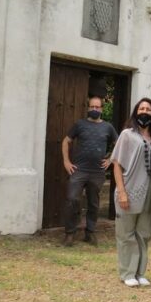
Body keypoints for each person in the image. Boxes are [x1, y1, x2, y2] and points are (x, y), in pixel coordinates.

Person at [110, 98, 151, 287]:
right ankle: (128, 273)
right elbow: (117, 165)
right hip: (129, 190)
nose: (145, 112)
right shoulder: (127, 135)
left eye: (148, 109)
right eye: (141, 108)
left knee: (143, 233)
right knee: (126, 234)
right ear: (136, 112)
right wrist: (121, 192)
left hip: (150, 194)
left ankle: (140, 273)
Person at [61, 96, 118, 247]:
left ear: (101, 109)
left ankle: (90, 232)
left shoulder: (108, 127)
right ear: (88, 108)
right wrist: (66, 161)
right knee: (72, 199)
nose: (94, 109)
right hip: (79, 170)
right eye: (92, 107)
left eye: (97, 107)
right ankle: (70, 233)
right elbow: (66, 141)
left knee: (93, 203)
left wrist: (110, 159)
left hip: (97, 172)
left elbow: (119, 144)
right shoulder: (80, 124)